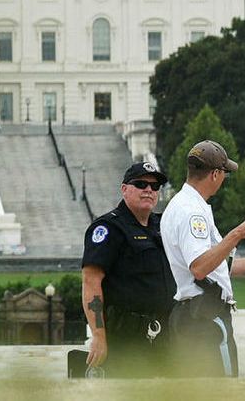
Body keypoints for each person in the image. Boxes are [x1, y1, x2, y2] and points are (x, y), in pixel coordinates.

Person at [161, 140, 245, 377]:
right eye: (224, 173)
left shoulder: (182, 205)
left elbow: (216, 266)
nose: (224, 179)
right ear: (214, 174)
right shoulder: (192, 212)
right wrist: (237, 234)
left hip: (193, 316)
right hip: (204, 318)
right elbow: (200, 268)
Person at [81, 160, 175, 378]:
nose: (149, 190)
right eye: (141, 184)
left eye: (155, 186)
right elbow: (90, 281)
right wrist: (98, 335)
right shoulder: (108, 228)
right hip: (126, 336)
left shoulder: (163, 225)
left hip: (165, 334)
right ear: (124, 189)